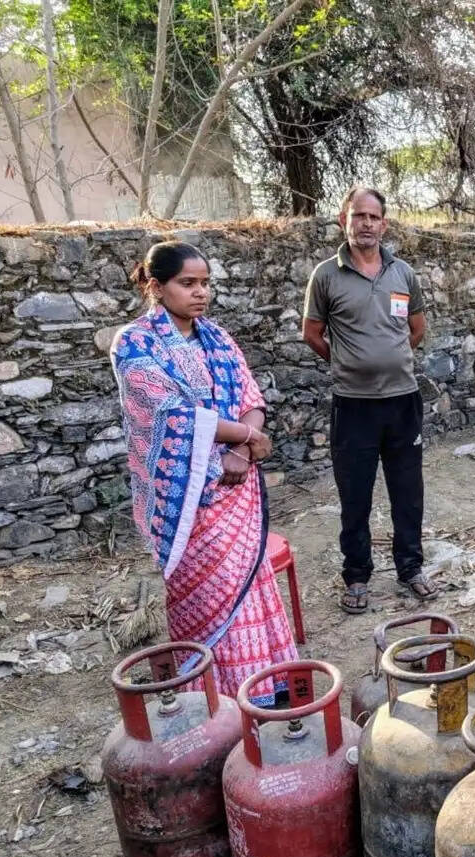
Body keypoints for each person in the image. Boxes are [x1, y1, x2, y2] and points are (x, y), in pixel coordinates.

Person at [111, 241, 298, 705]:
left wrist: (242, 448)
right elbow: (173, 416)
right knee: (208, 600)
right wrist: (248, 439)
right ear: (156, 286)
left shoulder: (217, 338)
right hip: (189, 499)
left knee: (251, 588)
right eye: (187, 283)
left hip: (239, 485)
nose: (201, 293)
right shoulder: (135, 343)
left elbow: (252, 399)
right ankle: (217, 702)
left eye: (205, 283)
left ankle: (267, 691)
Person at [303, 185, 438, 613]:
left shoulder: (403, 274)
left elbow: (416, 330)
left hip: (402, 401)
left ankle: (411, 568)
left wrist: (390, 360)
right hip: (353, 404)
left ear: (384, 223)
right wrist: (347, 362)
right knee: (355, 495)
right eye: (358, 216)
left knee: (407, 491)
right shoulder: (326, 275)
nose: (366, 224)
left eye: (373, 217)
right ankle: (357, 576)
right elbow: (312, 334)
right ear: (345, 220)